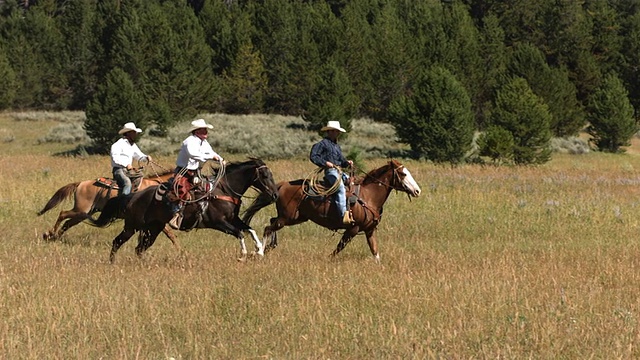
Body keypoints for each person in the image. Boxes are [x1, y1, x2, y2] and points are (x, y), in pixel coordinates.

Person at [168, 118, 224, 230]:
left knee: (208, 188)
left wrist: (221, 159)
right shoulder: (189, 141)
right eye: (203, 130)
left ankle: (202, 212)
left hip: (195, 171)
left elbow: (211, 152)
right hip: (183, 171)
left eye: (205, 129)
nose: (206, 132)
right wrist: (211, 157)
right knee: (181, 190)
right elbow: (193, 155)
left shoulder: (204, 142)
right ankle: (176, 213)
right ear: (197, 131)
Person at [309, 120, 354, 224]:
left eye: (338, 131)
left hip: (339, 171)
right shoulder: (322, 144)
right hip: (331, 172)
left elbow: (341, 161)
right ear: (330, 131)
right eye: (336, 131)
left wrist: (347, 162)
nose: (338, 133)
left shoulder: (336, 146)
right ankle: (343, 216)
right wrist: (325, 163)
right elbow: (313, 156)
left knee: (352, 182)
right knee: (341, 189)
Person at [110, 122, 151, 197]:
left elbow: (139, 155)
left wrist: (146, 157)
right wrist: (127, 165)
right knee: (127, 183)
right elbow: (115, 158)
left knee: (140, 179)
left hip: (128, 171)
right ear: (128, 133)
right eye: (134, 132)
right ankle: (122, 204)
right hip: (119, 170)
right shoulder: (118, 145)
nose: (136, 134)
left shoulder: (132, 145)